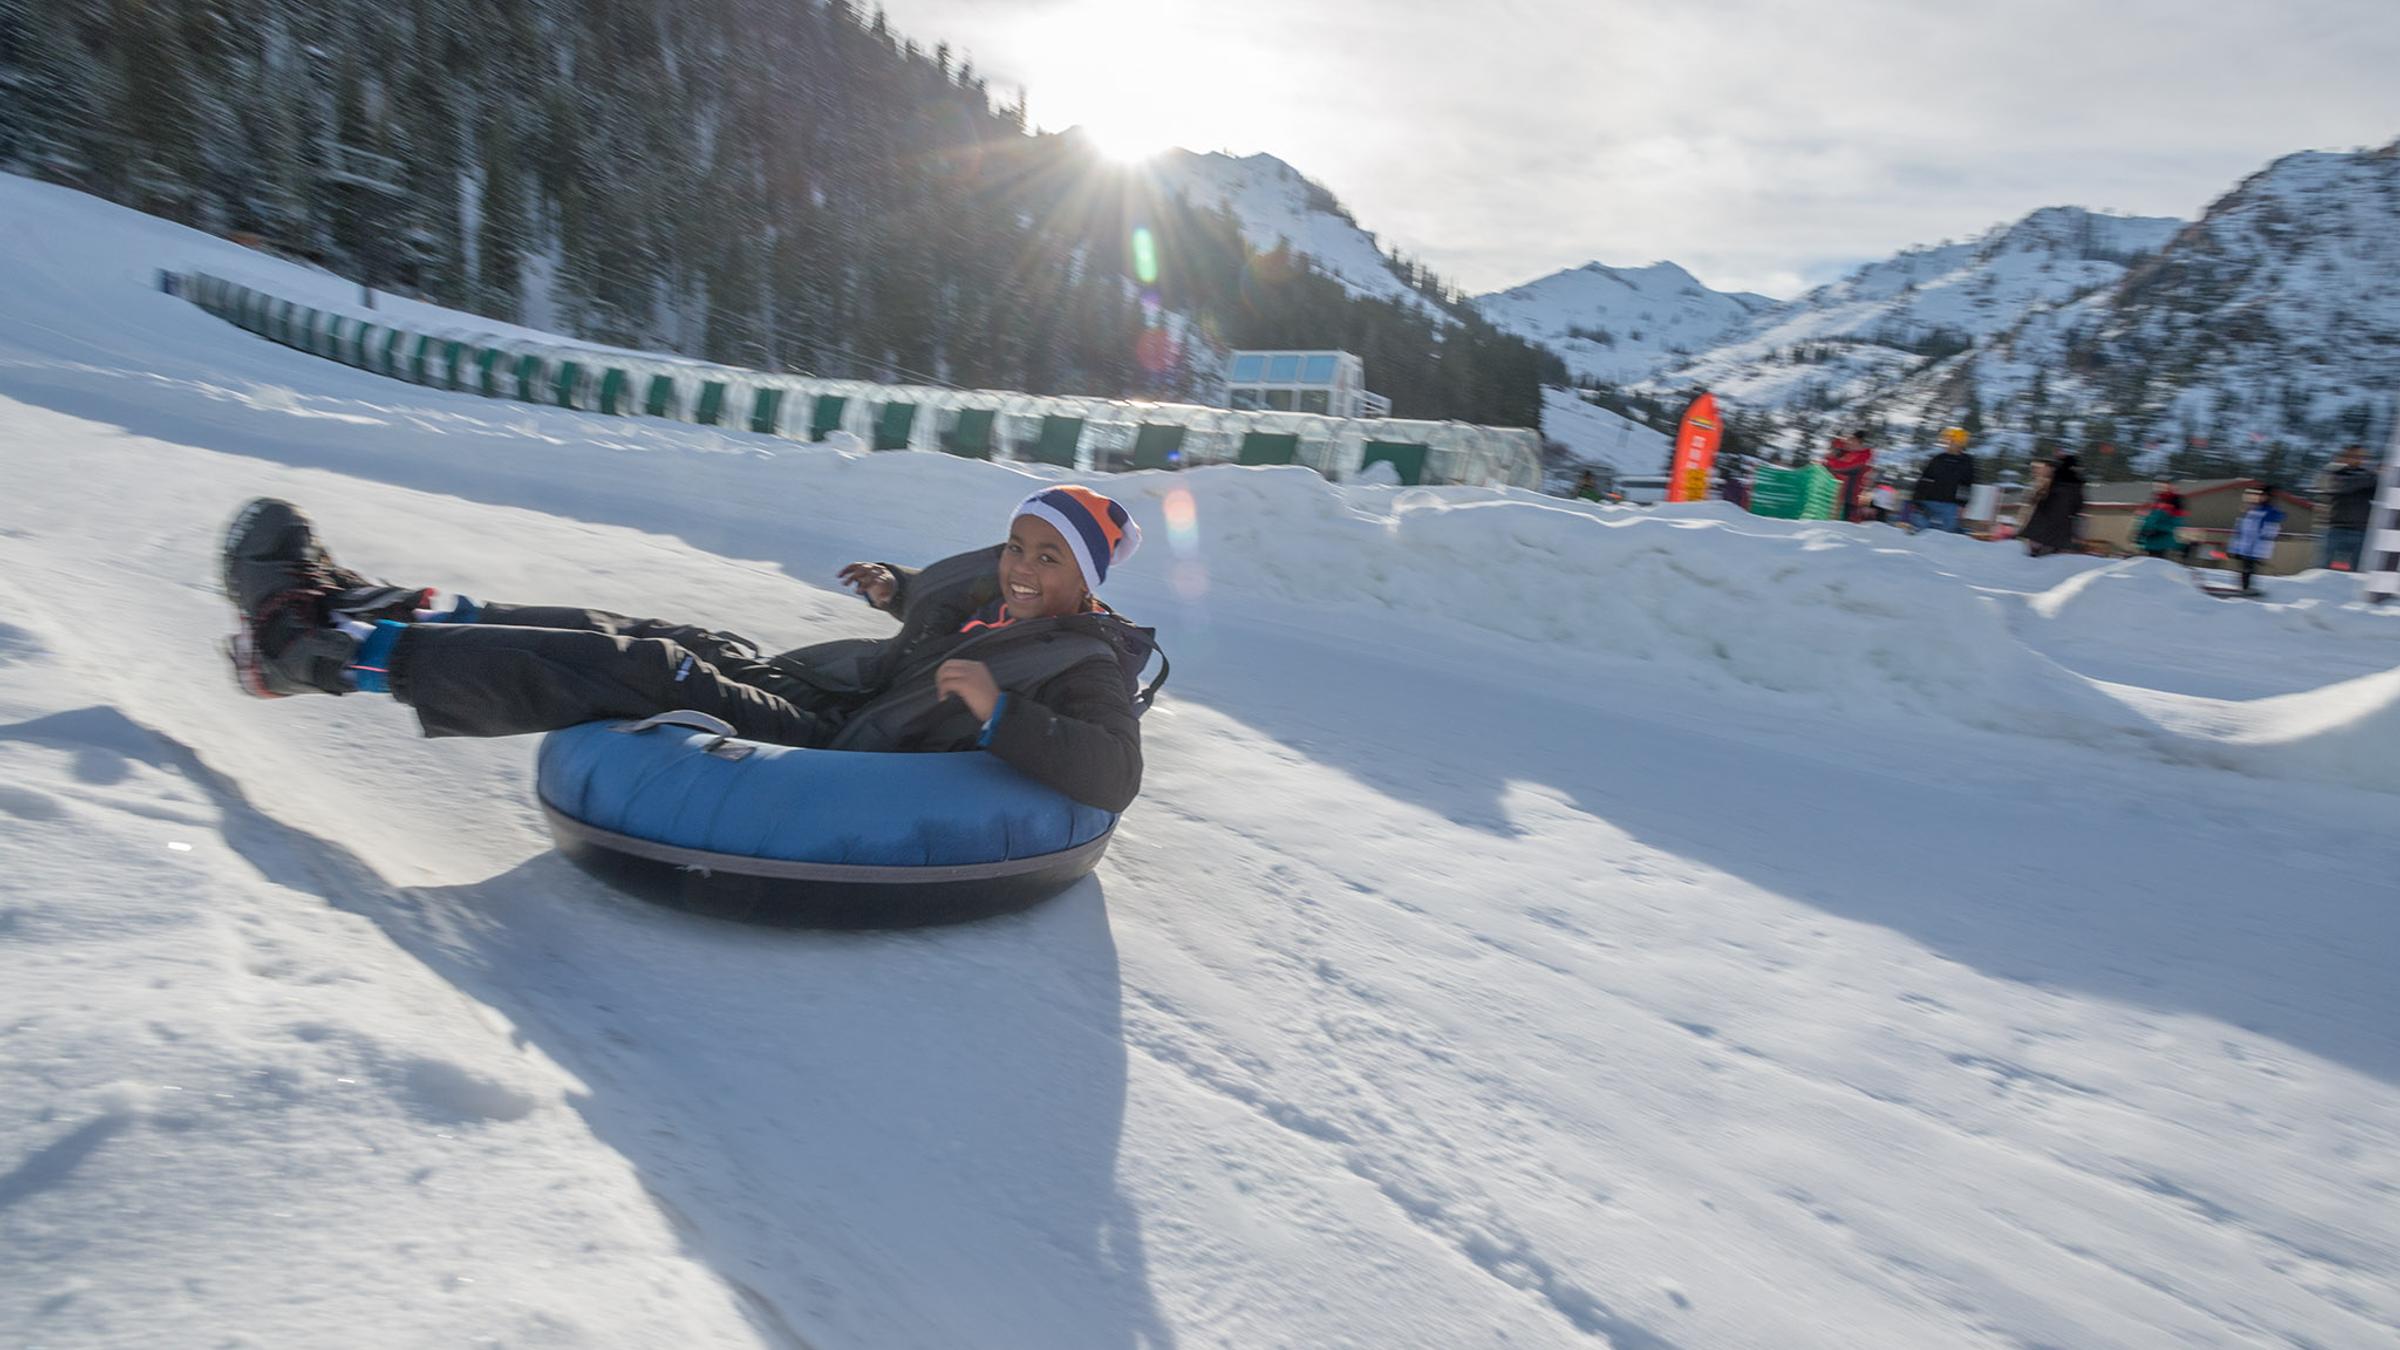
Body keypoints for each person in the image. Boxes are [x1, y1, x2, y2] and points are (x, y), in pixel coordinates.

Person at [221, 489, 1157, 812]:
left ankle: (320, 655)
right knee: (663, 637)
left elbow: (1113, 773)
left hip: (838, 750)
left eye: (1049, 559)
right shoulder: (1003, 598)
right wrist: (901, 590)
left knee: (646, 672)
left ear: (1088, 582)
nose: (1023, 569)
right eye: (1017, 546)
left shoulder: (1083, 664)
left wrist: (1001, 714)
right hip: (826, 692)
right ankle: (367, 608)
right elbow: (950, 625)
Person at [2314, 444, 2377, 571]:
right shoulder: (2334, 474)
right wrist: (2367, 479)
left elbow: (2379, 493)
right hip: (2336, 529)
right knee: (2324, 569)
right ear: (2345, 457)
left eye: (2361, 456)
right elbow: (2340, 486)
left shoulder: (2370, 477)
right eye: (2353, 456)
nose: (2358, 459)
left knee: (2358, 572)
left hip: (2361, 531)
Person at [1907, 426, 1976, 533]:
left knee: (1947, 535)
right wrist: (1916, 500)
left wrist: (1962, 506)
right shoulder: (1939, 458)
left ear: (1960, 443)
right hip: (1928, 502)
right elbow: (1925, 479)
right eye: (1946, 440)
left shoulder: (1966, 462)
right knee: (1919, 530)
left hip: (1950, 505)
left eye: (1951, 441)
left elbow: (1965, 485)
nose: (1947, 443)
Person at [2018, 452, 2086, 557]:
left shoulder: (2052, 482)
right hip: (2057, 530)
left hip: (2043, 527)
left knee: (2037, 554)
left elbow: (2036, 500)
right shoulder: (2075, 485)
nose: (2035, 471)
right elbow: (2077, 507)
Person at [2227, 483, 2285, 594]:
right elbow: (2241, 531)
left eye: (2261, 496)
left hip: (2255, 548)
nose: (2256, 498)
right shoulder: (2253, 511)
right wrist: (2235, 548)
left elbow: (2265, 531)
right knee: (2245, 568)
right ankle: (2245, 588)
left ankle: (2246, 588)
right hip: (2247, 547)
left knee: (2248, 568)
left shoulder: (2268, 512)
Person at [1824, 432, 1875, 522]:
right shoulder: (1852, 453)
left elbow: (1842, 468)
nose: (1848, 443)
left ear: (1857, 441)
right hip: (1841, 497)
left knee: (1845, 526)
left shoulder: (1862, 457)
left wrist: (1829, 460)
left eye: (1851, 440)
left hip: (1851, 500)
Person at [2133, 481, 2189, 561]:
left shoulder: (2176, 502)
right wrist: (2140, 533)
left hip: (2162, 543)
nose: (2159, 488)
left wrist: (2158, 530)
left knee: (2158, 563)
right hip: (2150, 542)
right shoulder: (2155, 502)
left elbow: (2175, 524)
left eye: (2163, 486)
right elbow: (2146, 520)